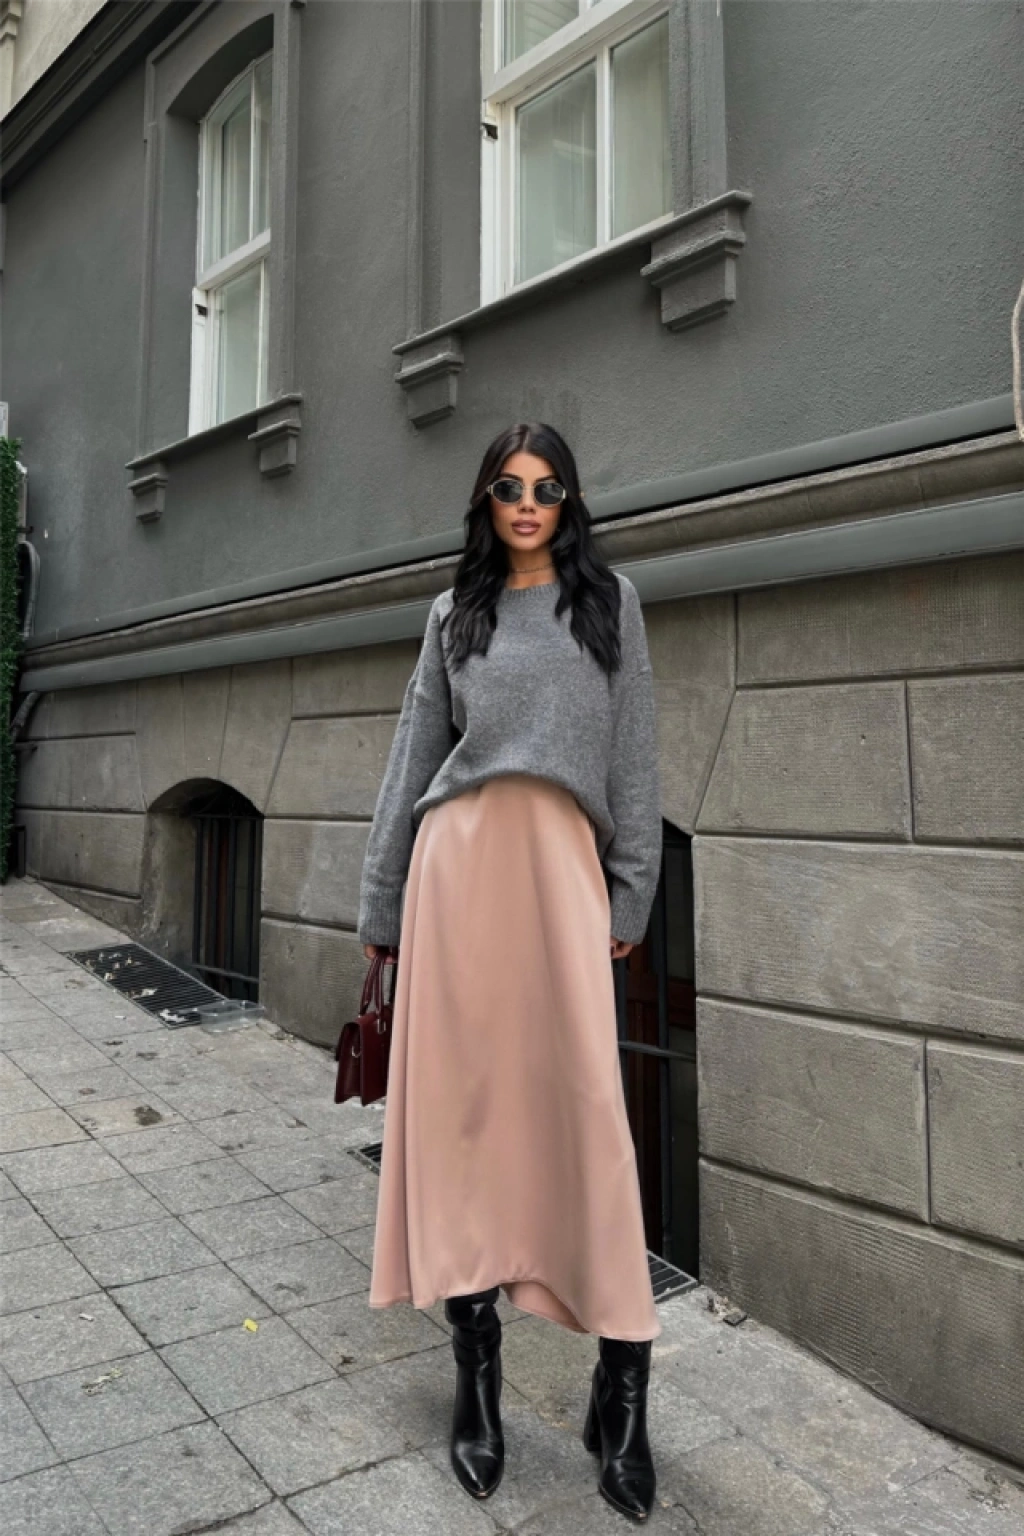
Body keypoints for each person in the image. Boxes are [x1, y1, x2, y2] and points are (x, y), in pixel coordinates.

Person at [357, 422, 663, 1523]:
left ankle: (621, 1389)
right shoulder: (455, 614)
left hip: (562, 876)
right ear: (485, 502)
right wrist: (381, 904)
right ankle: (475, 1375)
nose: (527, 503)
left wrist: (631, 889)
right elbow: (413, 758)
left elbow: (635, 752)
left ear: (569, 502)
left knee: (588, 1119)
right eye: (507, 487)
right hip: (457, 878)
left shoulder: (608, 604)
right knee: (465, 1119)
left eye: (546, 488)